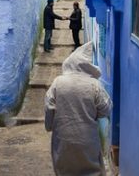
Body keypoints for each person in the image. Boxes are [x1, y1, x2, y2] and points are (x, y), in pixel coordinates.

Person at [44, 42, 112, 176]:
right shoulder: (94, 85)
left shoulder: (58, 82)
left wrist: (49, 126)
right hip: (88, 140)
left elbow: (49, 107)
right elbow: (106, 109)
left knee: (65, 170)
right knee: (91, 170)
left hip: (63, 140)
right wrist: (93, 113)